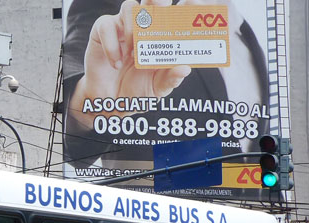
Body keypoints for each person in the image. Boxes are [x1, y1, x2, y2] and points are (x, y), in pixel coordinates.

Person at [62, 0, 269, 200]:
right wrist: (90, 104)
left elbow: (254, 157)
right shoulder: (121, 11)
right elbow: (67, 127)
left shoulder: (248, 38)